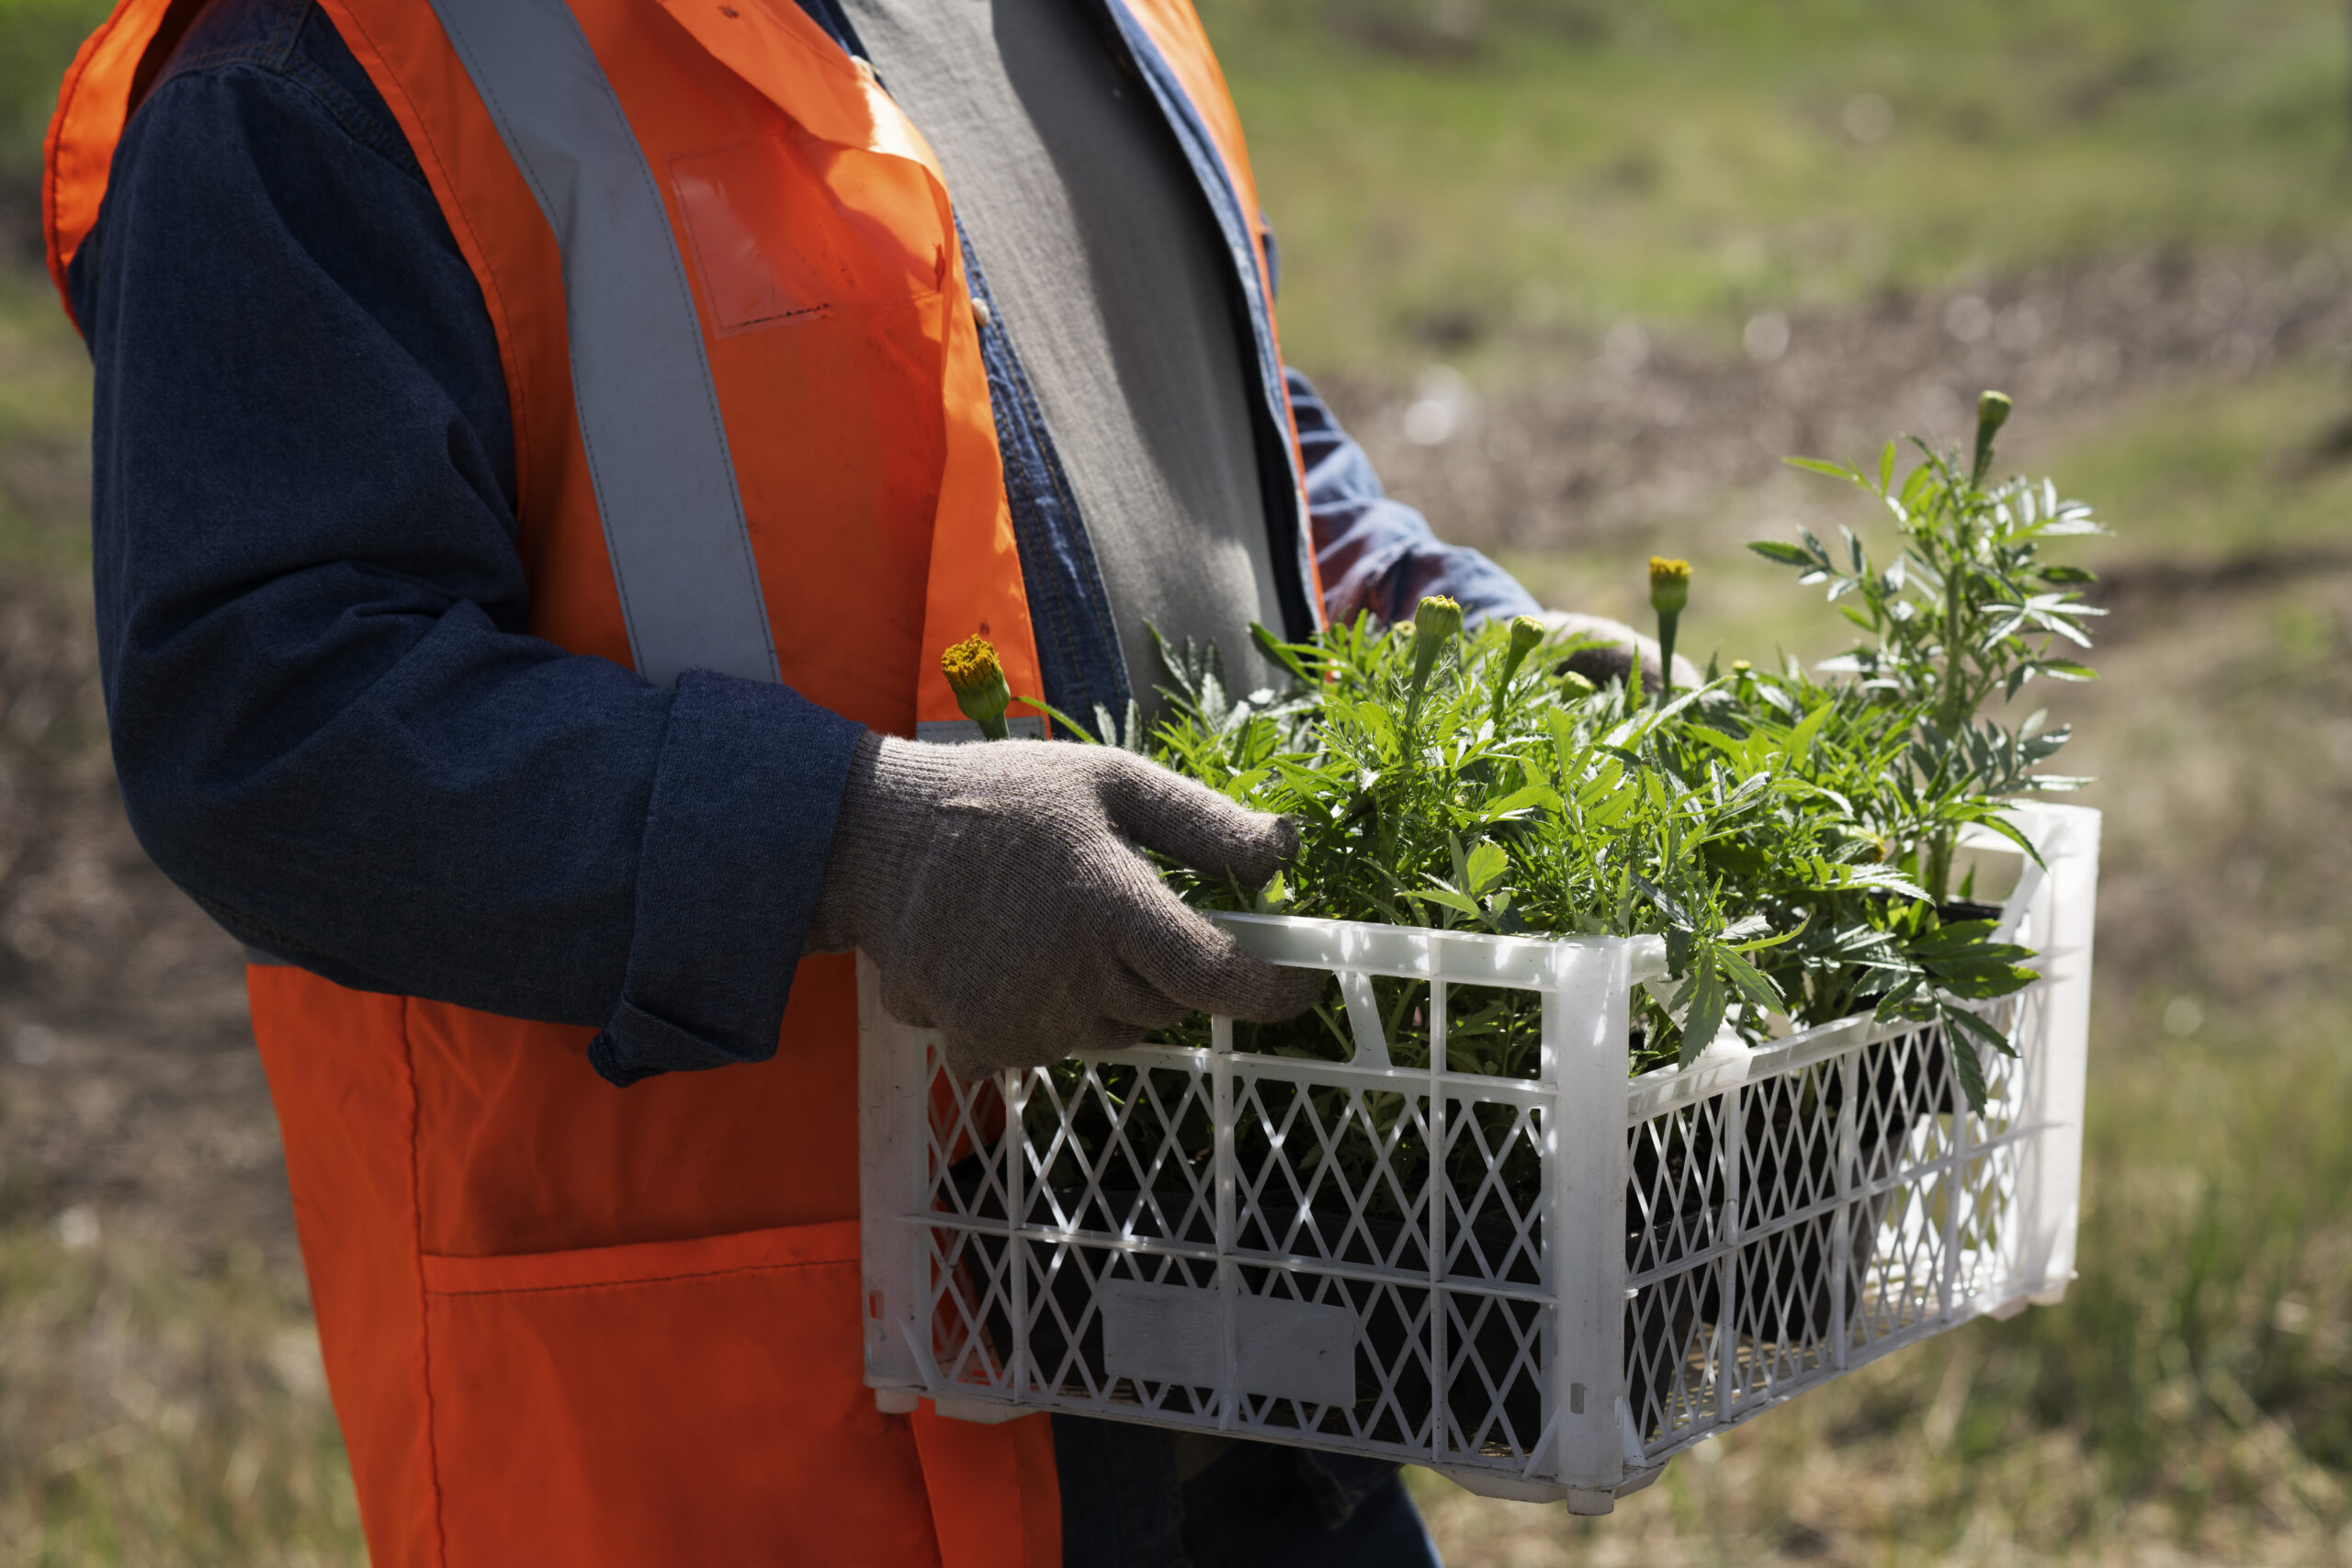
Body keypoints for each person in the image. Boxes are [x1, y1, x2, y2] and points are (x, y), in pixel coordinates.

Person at [43, 0, 1675, 1561]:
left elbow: (1197, 417)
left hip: (1267, 1360)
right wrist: (859, 842)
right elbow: (261, 713)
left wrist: (1427, 615)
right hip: (772, 1446)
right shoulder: (321, 69)